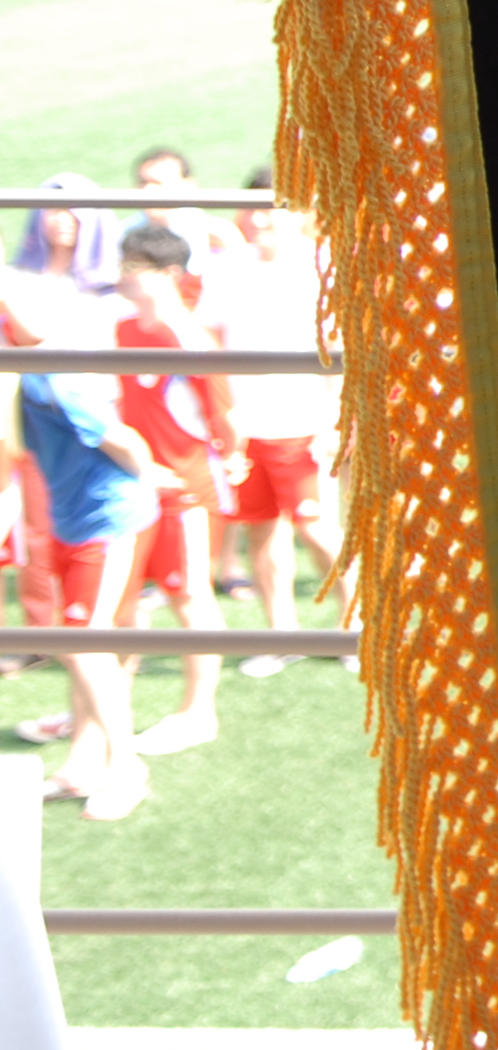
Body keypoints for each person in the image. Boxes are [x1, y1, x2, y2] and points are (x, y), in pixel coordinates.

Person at [2, 265, 159, 820]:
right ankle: (82, 763)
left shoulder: (54, 373)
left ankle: (128, 769)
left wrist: (147, 477)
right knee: (85, 644)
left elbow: (122, 439)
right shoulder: (30, 368)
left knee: (85, 643)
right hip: (77, 520)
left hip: (106, 520)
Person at [201, 185, 338, 672]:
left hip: (301, 424)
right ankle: (282, 634)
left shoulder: (320, 264)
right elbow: (211, 340)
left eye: (271, 210)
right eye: (252, 209)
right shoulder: (224, 269)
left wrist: (330, 422)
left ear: (297, 213)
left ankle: (356, 629)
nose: (259, 220)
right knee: (262, 532)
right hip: (245, 428)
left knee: (318, 531)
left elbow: (338, 351)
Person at [108, 224, 229, 755]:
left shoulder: (191, 340)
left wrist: (207, 471)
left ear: (170, 275)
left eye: (136, 268)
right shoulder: (123, 329)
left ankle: (198, 713)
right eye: (125, 265)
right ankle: (105, 707)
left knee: (189, 597)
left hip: (184, 492)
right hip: (133, 487)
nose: (124, 277)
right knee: (121, 603)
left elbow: (224, 416)